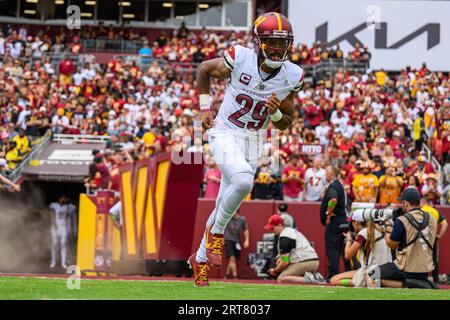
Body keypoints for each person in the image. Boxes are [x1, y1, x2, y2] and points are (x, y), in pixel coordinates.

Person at [189, 12, 304, 287]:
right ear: (259, 42)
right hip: (225, 131)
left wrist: (275, 114)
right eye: (271, 42)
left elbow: (286, 123)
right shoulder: (240, 57)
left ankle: (200, 259)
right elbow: (204, 68)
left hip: (253, 140)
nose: (278, 49)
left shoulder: (292, 74)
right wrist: (204, 108)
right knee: (242, 181)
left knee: (221, 204)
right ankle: (216, 235)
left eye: (283, 42)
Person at [380, 188, 437, 288]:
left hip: (405, 269)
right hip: (424, 269)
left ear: (405, 203)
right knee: (384, 278)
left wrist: (387, 227)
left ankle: (407, 285)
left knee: (372, 273)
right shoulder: (431, 218)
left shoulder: (402, 220)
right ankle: (415, 284)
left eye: (402, 203)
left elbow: (391, 245)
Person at [330, 210, 392, 287]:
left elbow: (347, 255)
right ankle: (365, 282)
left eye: (351, 222)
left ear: (356, 222)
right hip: (383, 269)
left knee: (335, 281)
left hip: (373, 270)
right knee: (334, 279)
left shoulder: (363, 233)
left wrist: (348, 239)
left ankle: (362, 283)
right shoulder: (378, 230)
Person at [264, 215, 319, 284]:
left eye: (273, 227)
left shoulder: (285, 236)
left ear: (279, 225)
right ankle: (309, 277)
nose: (272, 230)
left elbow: (285, 262)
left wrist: (275, 270)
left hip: (305, 262)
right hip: (312, 261)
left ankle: (312, 279)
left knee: (281, 279)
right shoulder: (290, 231)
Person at [320, 165, 349, 281]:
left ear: (331, 175)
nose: (324, 175)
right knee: (343, 249)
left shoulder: (333, 186)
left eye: (326, 173)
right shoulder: (340, 185)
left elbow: (333, 200)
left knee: (332, 249)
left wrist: (328, 212)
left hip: (336, 221)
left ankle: (333, 274)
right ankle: (349, 272)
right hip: (344, 220)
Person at [420, 197, 448, 283]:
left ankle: (421, 279)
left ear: (423, 202)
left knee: (421, 257)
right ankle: (435, 280)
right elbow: (445, 225)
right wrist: (439, 236)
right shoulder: (435, 211)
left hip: (421, 238)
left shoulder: (420, 210)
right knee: (433, 259)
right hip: (432, 238)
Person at [224, 210, 249, 279]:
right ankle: (235, 276)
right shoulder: (228, 218)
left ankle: (226, 275)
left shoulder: (242, 219)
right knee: (232, 258)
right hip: (228, 240)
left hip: (236, 241)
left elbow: (246, 230)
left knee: (232, 259)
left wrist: (247, 240)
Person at [49, 195, 69, 269]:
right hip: (55, 227)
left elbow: (67, 217)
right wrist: (54, 224)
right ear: (59, 198)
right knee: (54, 244)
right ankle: (53, 261)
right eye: (63, 198)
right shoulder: (54, 205)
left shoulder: (66, 207)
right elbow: (52, 215)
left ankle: (63, 262)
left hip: (63, 227)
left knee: (63, 244)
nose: (64, 199)